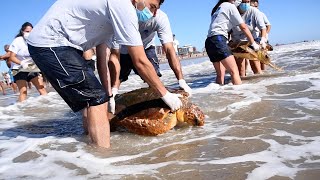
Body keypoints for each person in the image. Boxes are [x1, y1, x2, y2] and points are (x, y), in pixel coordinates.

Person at [27, 0, 182, 148]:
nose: (153, 14)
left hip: (60, 45)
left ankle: (89, 145)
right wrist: (165, 94)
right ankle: (102, 159)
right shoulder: (123, 6)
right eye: (152, 6)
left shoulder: (111, 16)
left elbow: (103, 60)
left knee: (92, 100)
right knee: (96, 100)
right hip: (51, 42)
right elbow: (140, 61)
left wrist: (109, 95)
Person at [108, 8, 192, 114]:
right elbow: (114, 56)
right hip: (123, 50)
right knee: (115, 82)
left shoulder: (160, 18)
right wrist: (114, 90)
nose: (151, 10)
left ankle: (155, 111)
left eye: (154, 7)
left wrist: (181, 80)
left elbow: (169, 50)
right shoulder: (123, 16)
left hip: (146, 48)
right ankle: (112, 106)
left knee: (153, 79)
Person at [205, 0, 260, 85]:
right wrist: (253, 43)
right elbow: (243, 27)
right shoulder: (230, 6)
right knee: (234, 72)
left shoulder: (218, 7)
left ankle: (219, 95)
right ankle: (239, 96)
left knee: (220, 75)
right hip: (218, 39)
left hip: (209, 41)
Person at [8, 22, 48, 102]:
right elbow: (11, 57)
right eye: (27, 31)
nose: (29, 33)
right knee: (23, 91)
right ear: (22, 31)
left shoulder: (33, 41)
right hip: (17, 68)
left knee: (41, 88)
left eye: (31, 32)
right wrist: (22, 63)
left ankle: (48, 108)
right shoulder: (18, 40)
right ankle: (20, 111)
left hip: (30, 67)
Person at [231, 0, 267, 77]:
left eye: (248, 1)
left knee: (256, 67)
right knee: (241, 70)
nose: (246, 4)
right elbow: (228, 30)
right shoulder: (232, 11)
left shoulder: (254, 11)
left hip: (252, 41)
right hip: (237, 42)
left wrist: (263, 39)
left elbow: (263, 28)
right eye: (244, 1)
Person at [250, 0, 271, 71]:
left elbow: (268, 25)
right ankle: (259, 75)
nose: (255, 8)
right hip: (252, 39)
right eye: (253, 6)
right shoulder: (249, 13)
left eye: (256, 6)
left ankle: (263, 74)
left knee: (263, 59)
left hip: (260, 39)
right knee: (255, 59)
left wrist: (265, 35)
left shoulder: (261, 14)